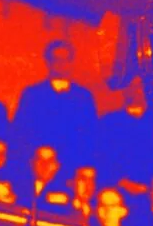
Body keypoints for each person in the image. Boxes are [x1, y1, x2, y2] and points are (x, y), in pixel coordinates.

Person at [13, 40, 97, 176]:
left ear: (71, 62)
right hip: (39, 168)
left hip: (72, 168)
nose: (61, 64)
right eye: (56, 59)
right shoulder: (33, 94)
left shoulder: (83, 97)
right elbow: (21, 133)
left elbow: (89, 135)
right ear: (48, 62)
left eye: (65, 60)